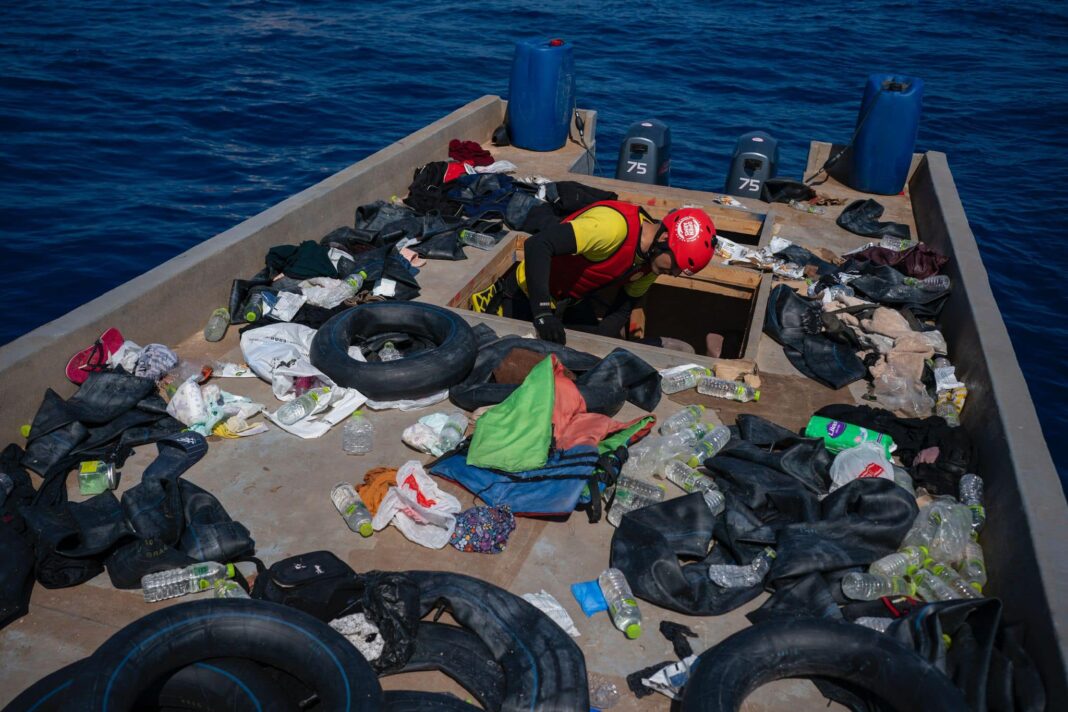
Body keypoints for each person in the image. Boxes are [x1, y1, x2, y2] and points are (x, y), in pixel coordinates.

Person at [471, 200, 716, 345]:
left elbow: (625, 305)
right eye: (675, 265)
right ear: (664, 238)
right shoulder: (611, 228)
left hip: (568, 301)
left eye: (680, 271)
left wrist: (601, 342)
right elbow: (538, 245)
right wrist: (543, 312)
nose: (673, 274)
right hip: (528, 293)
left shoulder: (652, 262)